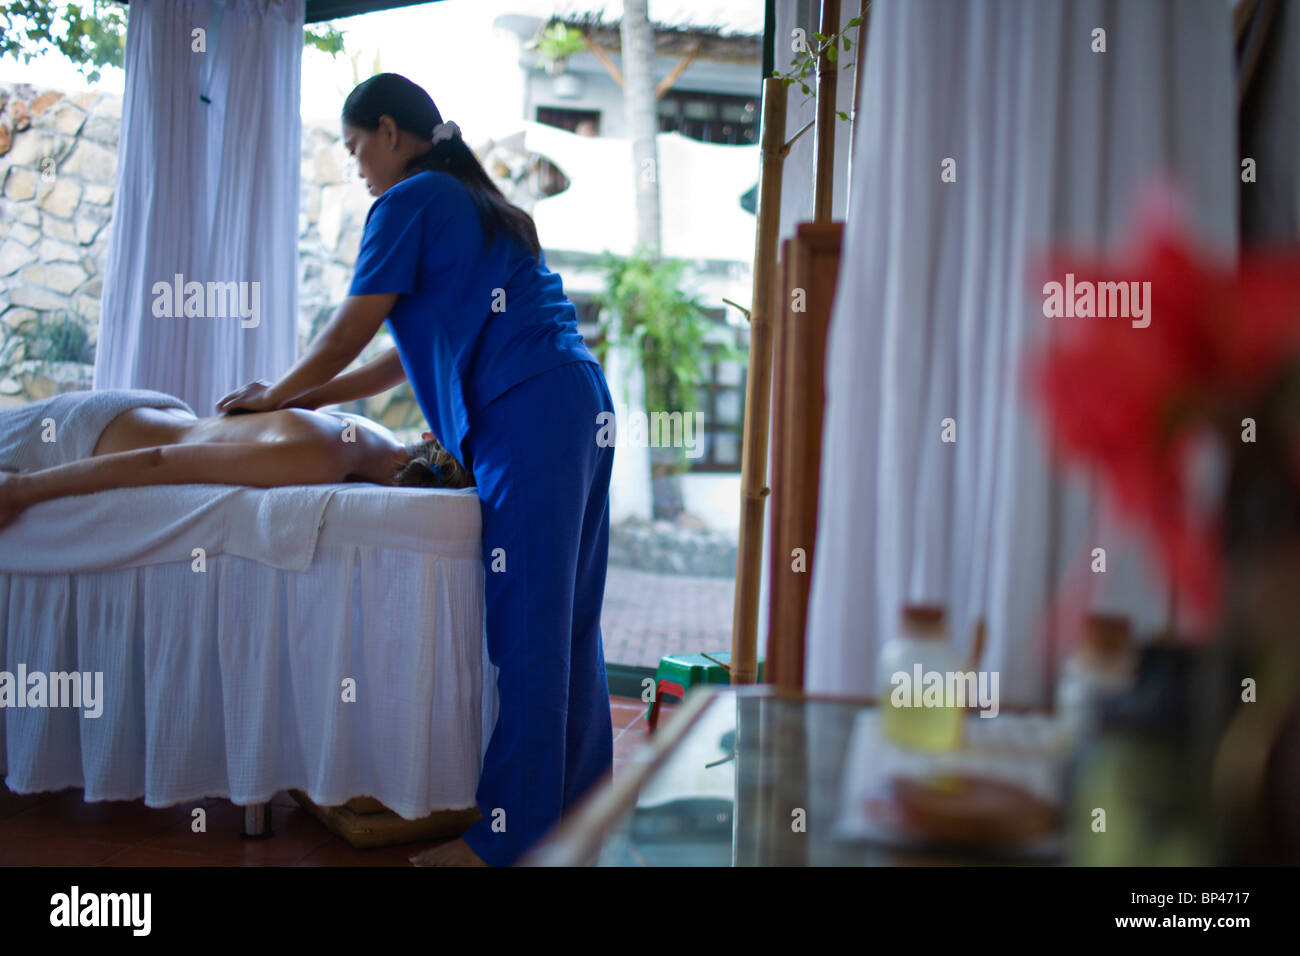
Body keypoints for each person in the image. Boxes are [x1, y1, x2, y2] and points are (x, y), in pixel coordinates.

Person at [214, 73, 615, 866]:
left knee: (530, 631)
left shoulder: (409, 201)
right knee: (567, 624)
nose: (359, 165)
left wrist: (273, 397)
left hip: (529, 412)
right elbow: (399, 356)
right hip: (577, 400)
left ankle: (506, 841)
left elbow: (344, 335)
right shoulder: (467, 200)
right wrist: (295, 397)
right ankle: (579, 820)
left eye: (358, 146)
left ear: (390, 131)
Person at [0, 390, 471, 529]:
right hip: (93, 436)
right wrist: (25, 490)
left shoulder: (373, 435)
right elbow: (162, 461)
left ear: (428, 437)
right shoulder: (323, 458)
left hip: (136, 413)